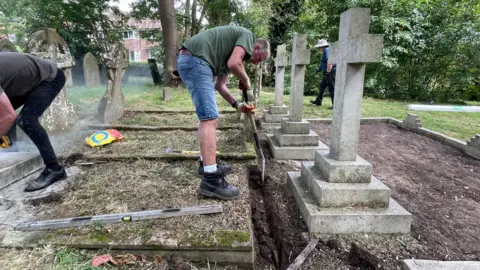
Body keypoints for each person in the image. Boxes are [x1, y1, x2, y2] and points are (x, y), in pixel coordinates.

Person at [177, 25, 270, 200]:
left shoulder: (226, 53)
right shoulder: (248, 35)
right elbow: (235, 64)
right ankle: (211, 180)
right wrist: (246, 79)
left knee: (207, 118)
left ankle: (206, 165)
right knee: (210, 119)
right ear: (256, 47)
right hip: (195, 60)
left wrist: (237, 105)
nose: (258, 63)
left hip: (194, 60)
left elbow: (220, 85)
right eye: (260, 58)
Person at [0, 52, 67, 192]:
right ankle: (9, 150)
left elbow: (9, 116)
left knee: (26, 119)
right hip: (26, 82)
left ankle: (54, 168)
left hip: (49, 79)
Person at [310, 39, 336, 108]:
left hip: (330, 71)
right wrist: (319, 70)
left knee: (332, 87)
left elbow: (329, 61)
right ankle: (318, 101)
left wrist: (328, 72)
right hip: (328, 71)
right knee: (322, 86)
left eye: (319, 47)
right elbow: (323, 63)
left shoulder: (327, 50)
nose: (319, 49)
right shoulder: (326, 50)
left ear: (323, 46)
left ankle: (335, 105)